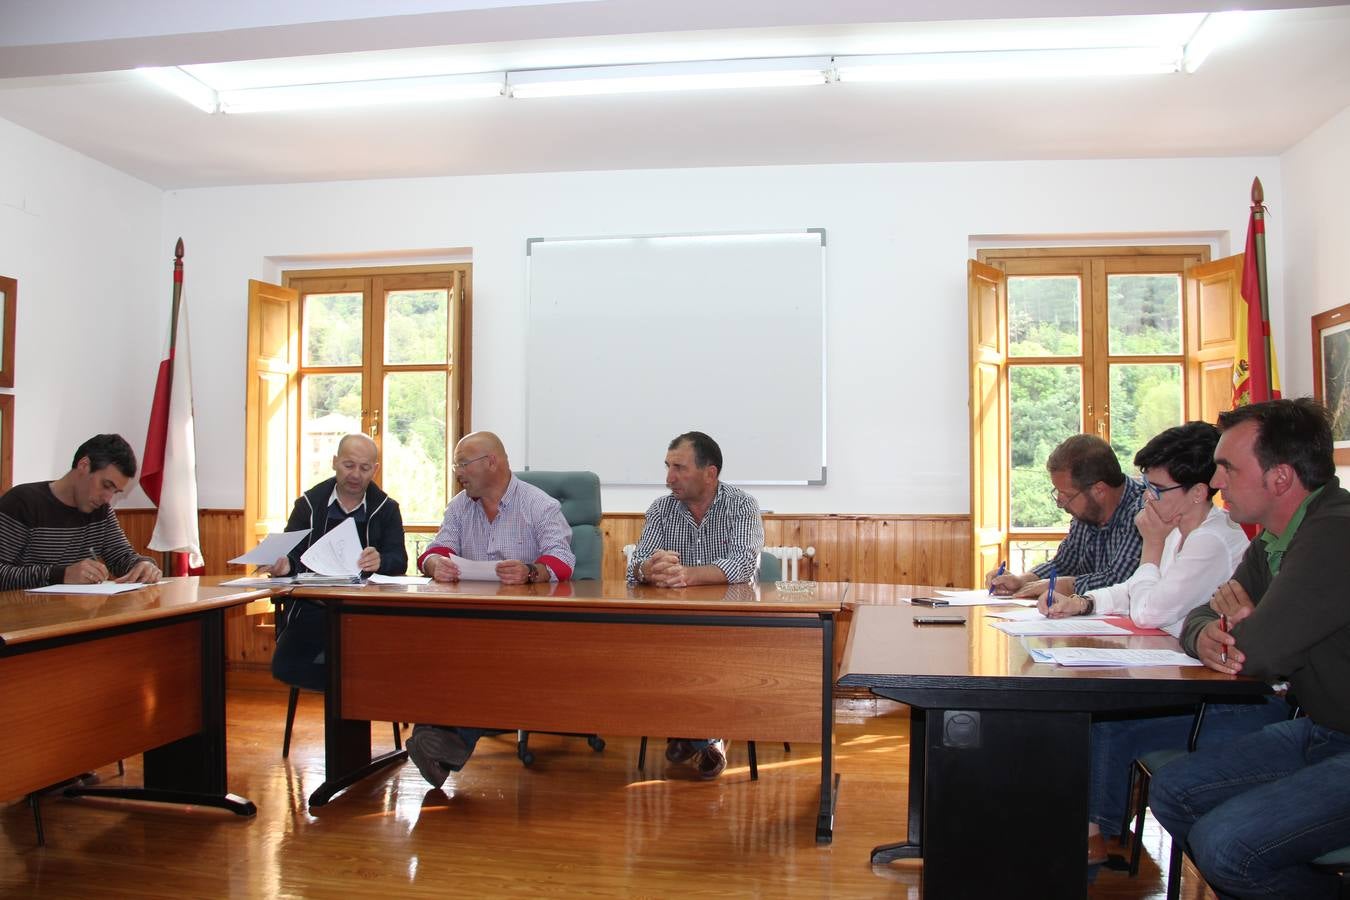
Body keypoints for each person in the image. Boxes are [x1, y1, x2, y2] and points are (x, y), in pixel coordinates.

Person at [1034, 423, 1281, 865]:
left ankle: (1094, 839)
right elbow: (1134, 590)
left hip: (1229, 697)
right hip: (1191, 676)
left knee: (1109, 721)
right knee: (1100, 717)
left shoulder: (1210, 540)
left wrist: (1150, 545)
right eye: (1146, 486)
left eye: (1158, 488)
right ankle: (1091, 831)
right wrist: (1084, 602)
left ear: (1198, 492)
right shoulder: (1181, 531)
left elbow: (1150, 610)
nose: (1148, 498)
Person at [1147, 398, 1350, 898]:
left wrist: (1244, 631)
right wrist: (1208, 634)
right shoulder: (1274, 540)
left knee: (1227, 848)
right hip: (1324, 731)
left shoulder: (1335, 535)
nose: (1215, 483)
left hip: (1337, 737)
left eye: (1227, 469)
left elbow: (1258, 654)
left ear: (1279, 478)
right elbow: (1199, 617)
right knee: (1173, 792)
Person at [406, 431, 575, 789]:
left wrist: (531, 571)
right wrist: (436, 564)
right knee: (435, 648)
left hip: (526, 626)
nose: (458, 474)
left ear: (492, 462)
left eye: (462, 465)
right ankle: (437, 740)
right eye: (456, 466)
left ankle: (442, 741)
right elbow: (433, 551)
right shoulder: (460, 507)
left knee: (485, 658)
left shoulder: (539, 505)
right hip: (468, 622)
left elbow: (562, 559)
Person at [627, 431, 765, 778]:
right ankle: (704, 738)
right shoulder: (661, 509)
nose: (669, 478)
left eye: (679, 468)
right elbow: (636, 564)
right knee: (664, 651)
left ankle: (692, 734)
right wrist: (648, 568)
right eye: (668, 467)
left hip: (731, 627)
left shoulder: (742, 505)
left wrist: (688, 575)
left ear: (710, 473)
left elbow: (743, 563)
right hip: (673, 628)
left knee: (707, 655)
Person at [268, 433, 407, 692]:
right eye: (348, 465)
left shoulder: (386, 508)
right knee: (284, 667)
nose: (355, 474)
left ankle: (352, 694)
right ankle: (351, 691)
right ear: (334, 462)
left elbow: (399, 560)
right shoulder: (309, 505)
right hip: (314, 607)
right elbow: (291, 554)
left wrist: (381, 560)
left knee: (382, 664)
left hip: (366, 611)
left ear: (375, 470)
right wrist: (284, 566)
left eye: (364, 468)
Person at [987, 433, 1145, 599]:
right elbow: (1064, 564)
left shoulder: (1143, 510)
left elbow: (1119, 582)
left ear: (1099, 490)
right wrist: (1023, 580)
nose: (1060, 503)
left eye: (1067, 495)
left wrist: (1062, 585)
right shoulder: (1087, 512)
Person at [0, 433, 161, 590]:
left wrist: (143, 566)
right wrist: (61, 575)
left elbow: (122, 558)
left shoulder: (101, 511)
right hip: (23, 614)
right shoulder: (22, 502)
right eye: (106, 485)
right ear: (84, 465)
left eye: (115, 492)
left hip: (77, 613)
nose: (108, 498)